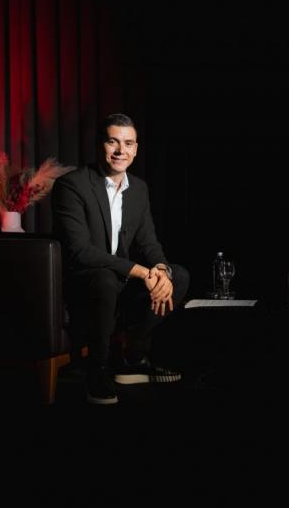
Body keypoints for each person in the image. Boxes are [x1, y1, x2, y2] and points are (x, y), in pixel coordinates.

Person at [52, 113, 189, 405]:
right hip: (85, 282)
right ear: (100, 145)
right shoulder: (72, 185)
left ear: (136, 149)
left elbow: (148, 242)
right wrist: (141, 271)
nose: (120, 151)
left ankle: (132, 357)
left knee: (178, 276)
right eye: (112, 142)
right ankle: (97, 369)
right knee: (104, 278)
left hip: (121, 281)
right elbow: (79, 251)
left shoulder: (138, 188)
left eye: (128, 144)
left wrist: (161, 271)